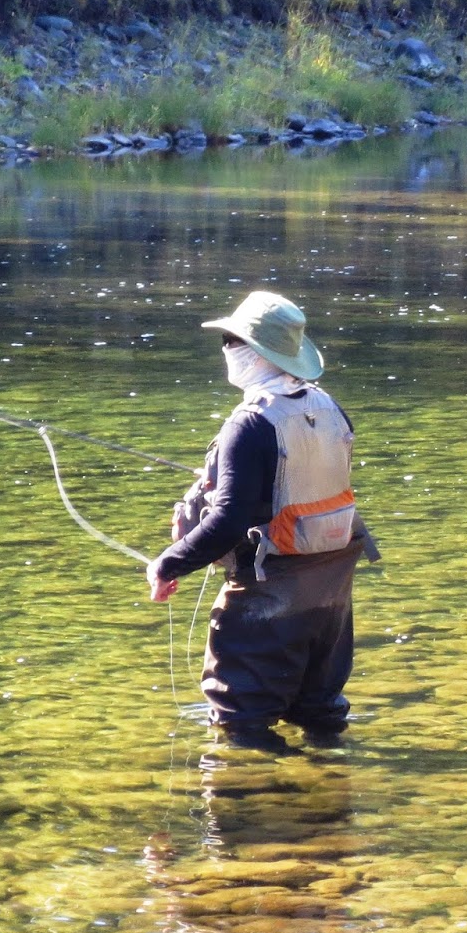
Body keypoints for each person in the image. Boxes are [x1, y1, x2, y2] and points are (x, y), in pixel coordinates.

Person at [146, 290, 375, 751]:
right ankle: (329, 786)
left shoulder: (249, 425)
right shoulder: (327, 406)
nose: (226, 350)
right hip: (331, 595)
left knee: (241, 724)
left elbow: (229, 522)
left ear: (253, 353)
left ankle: (251, 795)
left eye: (230, 341)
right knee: (319, 711)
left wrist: (167, 564)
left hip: (269, 598)